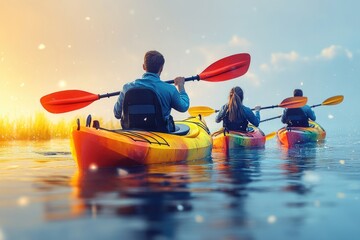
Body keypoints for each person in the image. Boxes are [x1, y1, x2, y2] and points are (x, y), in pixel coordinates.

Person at [113, 50, 189, 132]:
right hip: (160, 133)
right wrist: (181, 86)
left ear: (144, 67)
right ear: (161, 68)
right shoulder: (170, 89)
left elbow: (117, 114)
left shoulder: (126, 88)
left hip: (133, 133)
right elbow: (184, 107)